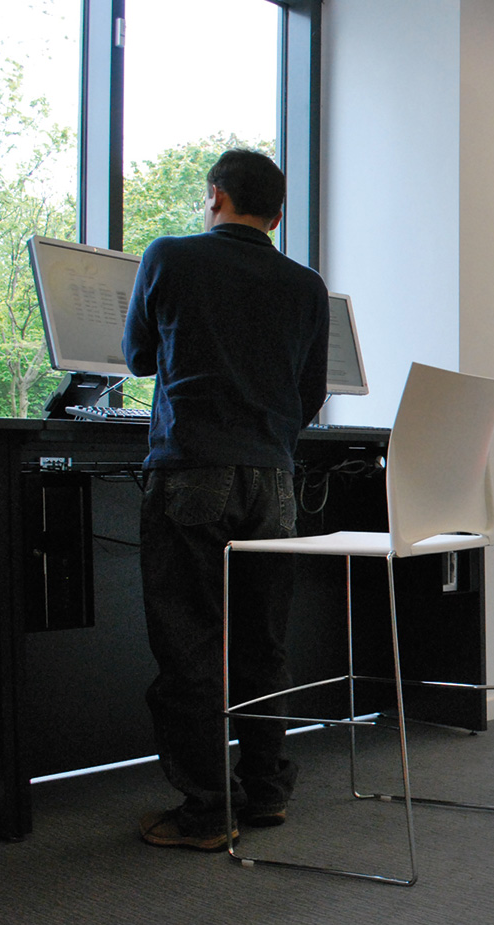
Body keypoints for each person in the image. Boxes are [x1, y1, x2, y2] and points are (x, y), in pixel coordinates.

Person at [122, 149, 331, 851]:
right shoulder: (307, 285)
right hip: (274, 483)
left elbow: (138, 356)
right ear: (277, 215)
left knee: (191, 647)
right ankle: (265, 791)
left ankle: (208, 812)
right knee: (262, 644)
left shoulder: (169, 256)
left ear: (215, 196)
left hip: (194, 472)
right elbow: (309, 393)